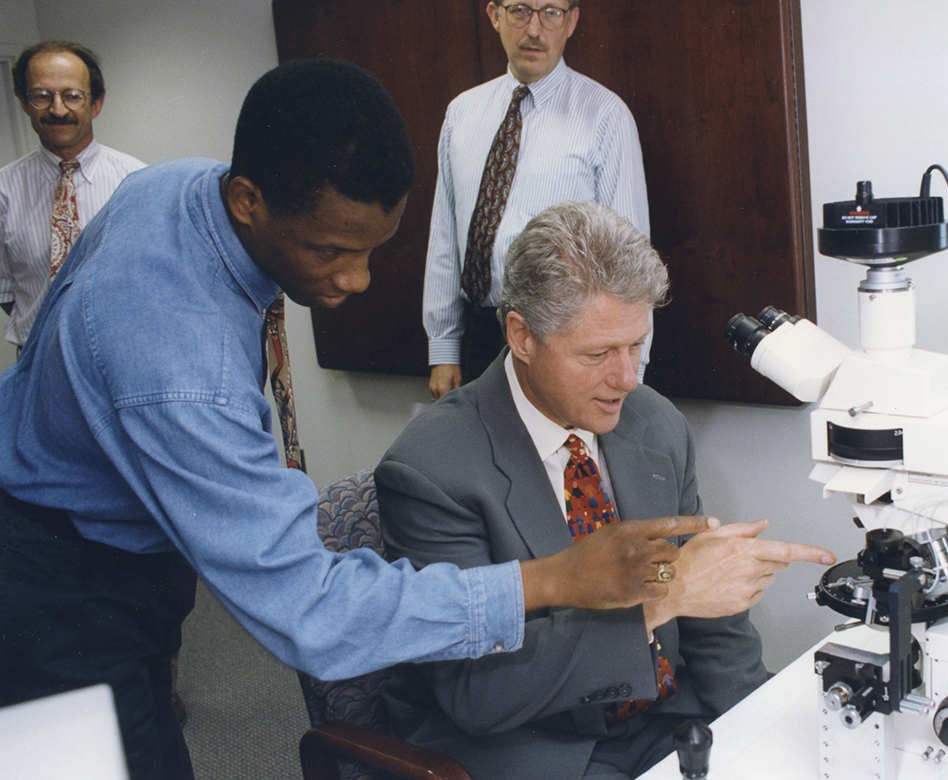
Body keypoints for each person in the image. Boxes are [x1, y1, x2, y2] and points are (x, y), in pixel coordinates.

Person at [0, 60, 715, 780]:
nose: (356, 280)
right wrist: (552, 581)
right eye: (330, 250)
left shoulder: (170, 184)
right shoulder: (186, 375)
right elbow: (311, 614)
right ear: (248, 199)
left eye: (373, 248)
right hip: (55, 586)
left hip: (108, 546)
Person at [377, 200, 837, 780]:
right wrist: (665, 599)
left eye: (635, 346)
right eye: (596, 354)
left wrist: (773, 728)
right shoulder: (431, 468)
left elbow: (703, 610)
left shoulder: (655, 423)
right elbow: (480, 694)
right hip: (526, 743)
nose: (626, 378)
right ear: (521, 335)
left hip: (660, 713)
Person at [424, 0, 651, 399]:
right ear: (495, 15)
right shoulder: (462, 113)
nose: (534, 29)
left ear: (571, 20)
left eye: (551, 12)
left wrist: (632, 369)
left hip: (563, 337)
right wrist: (443, 349)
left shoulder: (605, 116)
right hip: (479, 338)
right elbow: (445, 235)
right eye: (520, 11)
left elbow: (630, 263)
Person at [0, 40, 145, 350]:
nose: (57, 109)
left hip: (120, 351)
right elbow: (5, 291)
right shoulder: (4, 191)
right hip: (37, 358)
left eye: (72, 96)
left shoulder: (137, 181)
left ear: (96, 103)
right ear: (24, 103)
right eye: (41, 96)